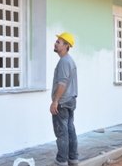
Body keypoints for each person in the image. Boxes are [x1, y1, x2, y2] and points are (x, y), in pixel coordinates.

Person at [50, 32, 79, 166]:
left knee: (62, 133)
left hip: (62, 102)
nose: (55, 43)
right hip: (70, 100)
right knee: (69, 130)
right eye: (56, 41)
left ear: (66, 46)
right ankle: (73, 159)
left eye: (59, 42)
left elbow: (62, 83)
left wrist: (55, 101)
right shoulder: (69, 60)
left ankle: (61, 161)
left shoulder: (64, 61)